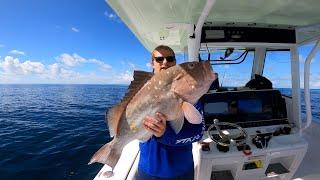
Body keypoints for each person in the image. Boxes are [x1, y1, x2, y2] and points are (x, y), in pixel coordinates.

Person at [137, 45, 204, 180]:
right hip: (148, 169)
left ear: (175, 62)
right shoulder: (140, 90)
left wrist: (164, 134)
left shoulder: (189, 91)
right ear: (152, 63)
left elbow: (198, 133)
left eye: (170, 58)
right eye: (159, 59)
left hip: (181, 170)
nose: (165, 62)